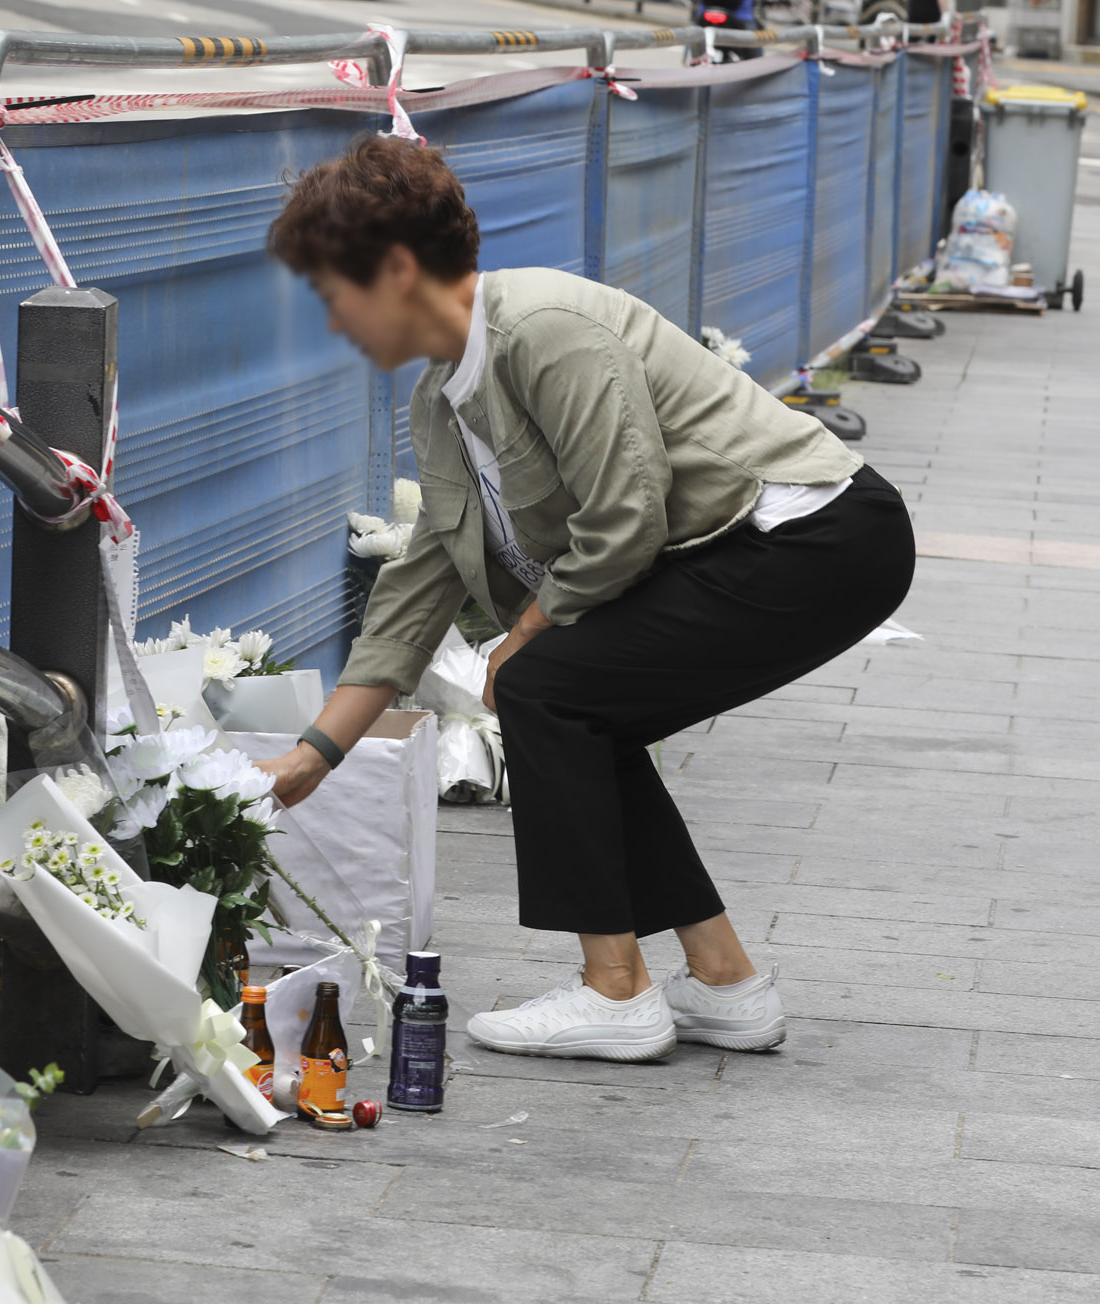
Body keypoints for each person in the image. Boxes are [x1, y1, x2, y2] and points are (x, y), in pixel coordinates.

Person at [257, 136, 915, 1062]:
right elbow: (417, 590)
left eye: (335, 293)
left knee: (548, 686)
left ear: (397, 270)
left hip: (814, 534)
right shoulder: (441, 404)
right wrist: (313, 757)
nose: (334, 321)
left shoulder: (542, 328)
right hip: (766, 549)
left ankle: (614, 989)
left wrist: (525, 633)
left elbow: (625, 511)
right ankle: (724, 982)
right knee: (578, 701)